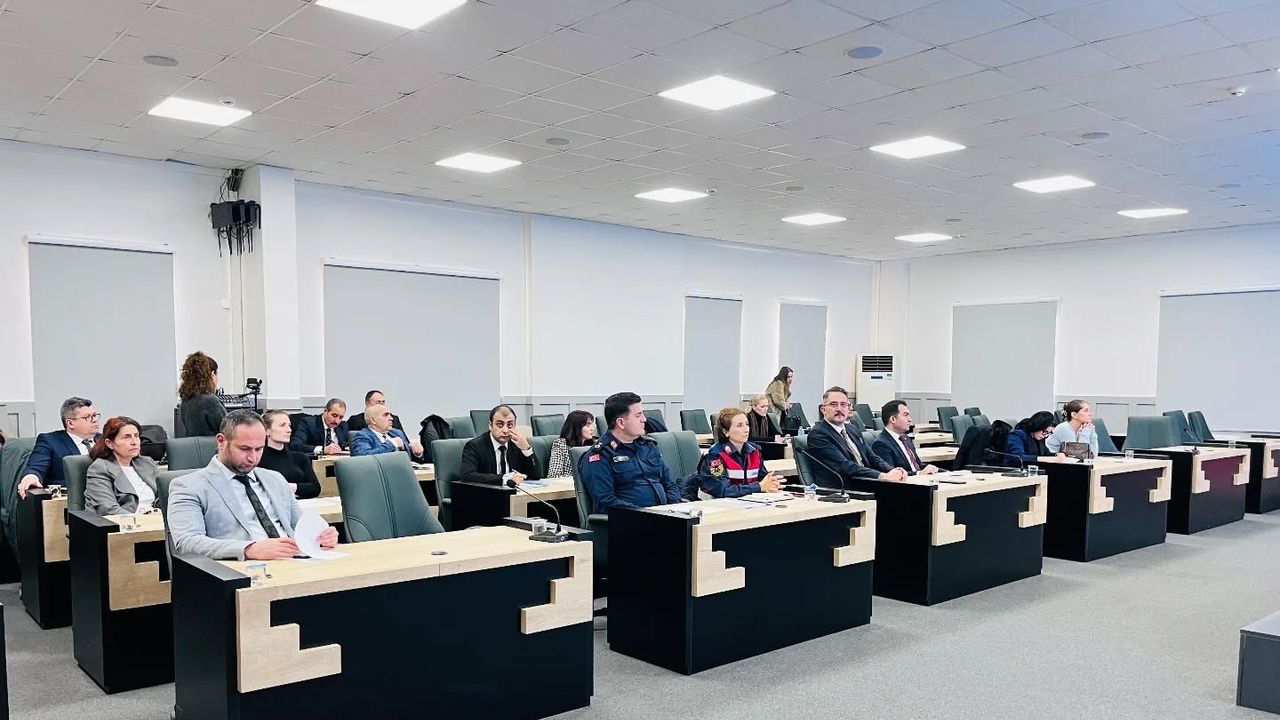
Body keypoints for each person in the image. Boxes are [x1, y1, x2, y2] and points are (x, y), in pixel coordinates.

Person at [167, 410, 338, 561]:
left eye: (259, 449)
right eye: (244, 449)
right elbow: (187, 542)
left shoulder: (275, 479)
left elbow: (299, 525)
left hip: (294, 562)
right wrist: (248, 549)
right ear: (221, 441)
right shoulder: (189, 487)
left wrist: (320, 535)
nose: (253, 458)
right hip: (241, 570)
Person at [577, 392, 683, 513]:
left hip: (665, 516)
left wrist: (674, 510)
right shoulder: (600, 455)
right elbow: (605, 502)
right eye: (638, 415)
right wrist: (646, 514)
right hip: (631, 520)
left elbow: (669, 485)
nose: (644, 419)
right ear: (621, 423)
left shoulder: (648, 446)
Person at [805, 386, 907, 488]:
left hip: (866, 483)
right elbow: (845, 466)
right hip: (843, 489)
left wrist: (892, 470)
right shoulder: (818, 434)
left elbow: (872, 457)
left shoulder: (852, 429)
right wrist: (881, 476)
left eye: (843, 404)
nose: (839, 409)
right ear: (823, 410)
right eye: (833, 404)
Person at [17, 397, 102, 499]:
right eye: (87, 417)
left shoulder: (106, 440)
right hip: (71, 501)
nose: (95, 420)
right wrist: (31, 477)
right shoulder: (50, 441)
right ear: (70, 423)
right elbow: (35, 467)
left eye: (95, 416)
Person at [695, 408, 784, 499]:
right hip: (715, 504)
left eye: (747, 424)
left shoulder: (755, 452)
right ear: (726, 432)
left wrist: (772, 484)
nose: (746, 429)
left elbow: (762, 479)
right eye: (739, 425)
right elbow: (723, 490)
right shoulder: (714, 456)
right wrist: (759, 487)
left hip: (747, 501)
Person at [84, 416, 159, 516]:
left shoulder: (146, 463)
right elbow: (108, 509)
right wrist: (139, 519)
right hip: (123, 523)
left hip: (155, 519)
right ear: (110, 443)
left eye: (136, 436)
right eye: (126, 437)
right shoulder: (100, 468)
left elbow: (162, 497)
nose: (134, 442)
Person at [461, 405, 541, 485]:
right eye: (500, 425)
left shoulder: (517, 444)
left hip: (516, 492)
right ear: (490, 425)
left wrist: (526, 449)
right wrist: (504, 479)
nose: (505, 430)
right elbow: (468, 476)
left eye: (509, 425)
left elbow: (536, 475)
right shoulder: (474, 446)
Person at [258, 410, 321, 499]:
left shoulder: (300, 457)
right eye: (282, 425)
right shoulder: (258, 460)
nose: (289, 430)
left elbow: (315, 488)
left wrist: (291, 487)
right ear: (267, 430)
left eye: (289, 425)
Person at [871, 400, 939, 476]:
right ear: (893, 419)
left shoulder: (905, 438)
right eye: (905, 415)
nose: (910, 420)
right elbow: (891, 474)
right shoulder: (881, 444)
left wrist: (932, 469)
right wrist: (919, 473)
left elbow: (916, 465)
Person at [178, 351, 226, 437]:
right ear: (212, 374)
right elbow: (228, 429)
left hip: (195, 445)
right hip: (214, 445)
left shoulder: (186, 400)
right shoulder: (210, 401)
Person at [349, 404, 423, 458]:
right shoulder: (362, 436)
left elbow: (410, 459)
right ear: (373, 420)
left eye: (390, 415)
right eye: (386, 415)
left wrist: (417, 453)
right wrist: (392, 444)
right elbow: (363, 458)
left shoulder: (397, 433)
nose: (391, 418)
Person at [547, 410, 596, 478]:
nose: (592, 429)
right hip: (568, 483)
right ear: (577, 427)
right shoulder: (561, 444)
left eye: (591, 424)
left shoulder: (594, 445)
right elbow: (554, 475)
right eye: (588, 425)